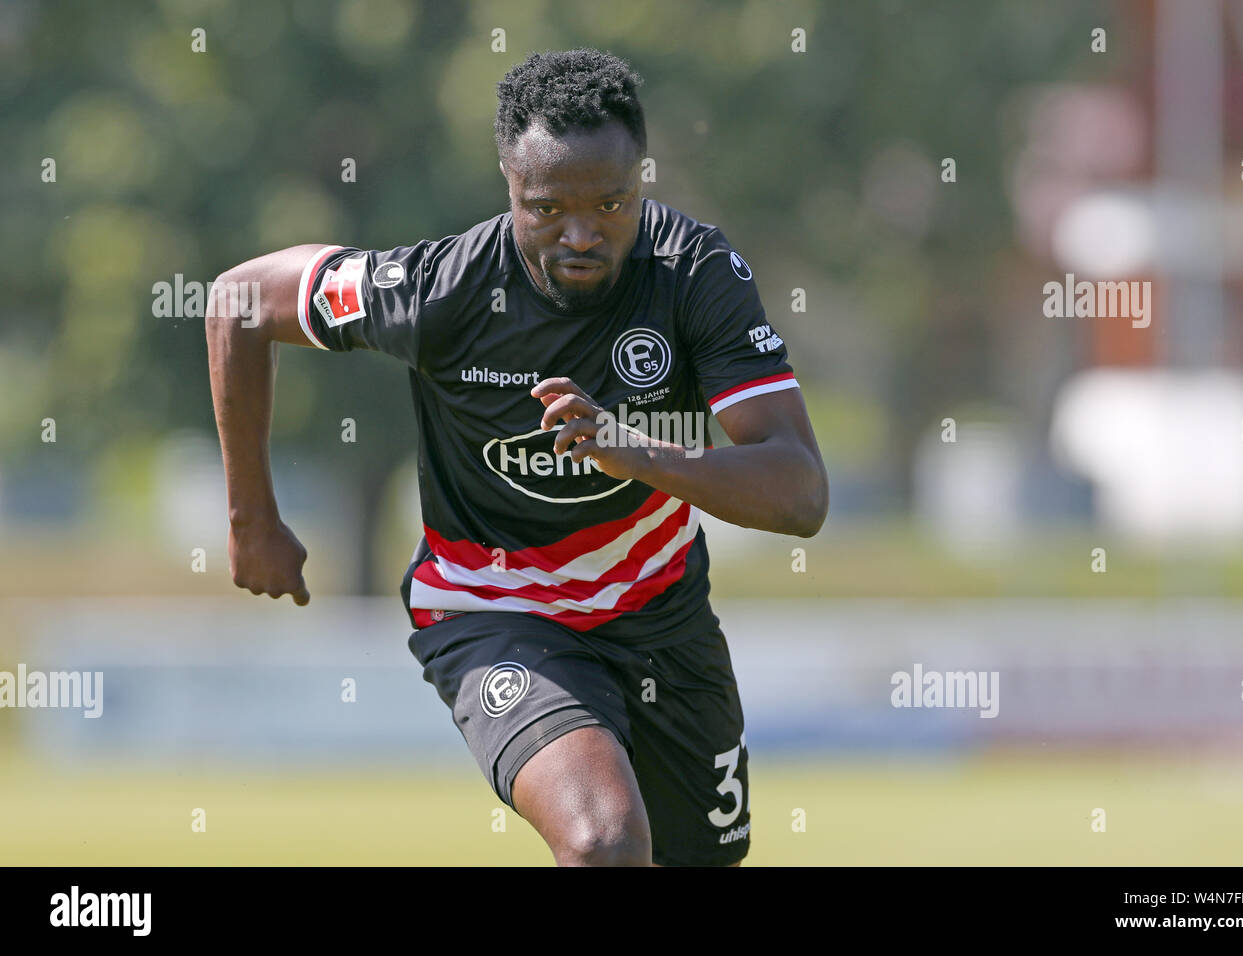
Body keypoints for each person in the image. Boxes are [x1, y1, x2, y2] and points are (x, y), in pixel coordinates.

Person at [206, 48, 827, 866]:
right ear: (509, 186)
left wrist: (638, 451)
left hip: (661, 613)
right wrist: (251, 517)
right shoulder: (441, 289)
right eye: (548, 209)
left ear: (640, 180)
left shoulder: (694, 273)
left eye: (611, 204)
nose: (582, 234)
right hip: (496, 610)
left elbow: (799, 494)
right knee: (603, 842)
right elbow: (240, 301)